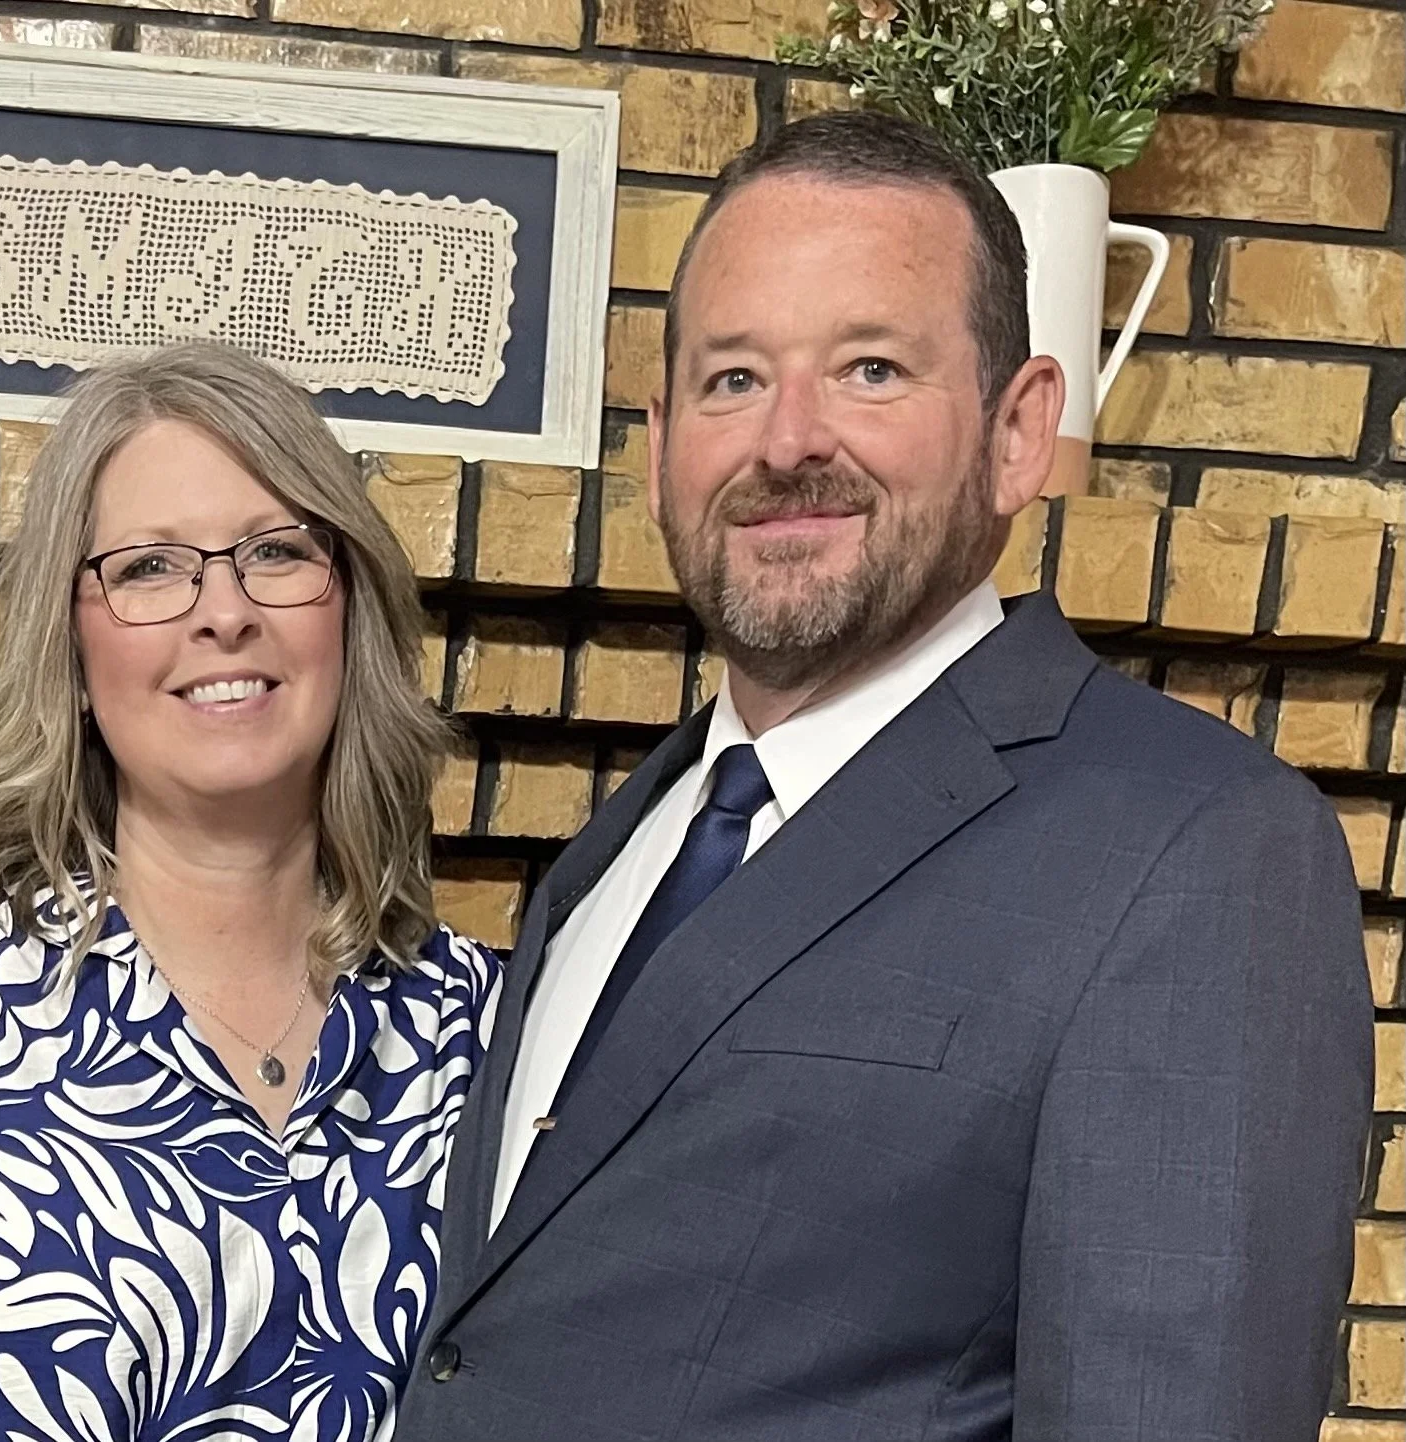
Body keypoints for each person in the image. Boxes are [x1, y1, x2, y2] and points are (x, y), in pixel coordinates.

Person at [396, 112, 1374, 1441]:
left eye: (869, 367)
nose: (790, 438)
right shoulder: (615, 855)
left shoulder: (1191, 854)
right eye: (734, 378)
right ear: (659, 443)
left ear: (1019, 429)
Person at [0, 342, 500, 1442]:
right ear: (74, 647)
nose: (223, 612)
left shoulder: (488, 1038)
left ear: (352, 612)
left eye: (277, 551)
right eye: (149, 567)